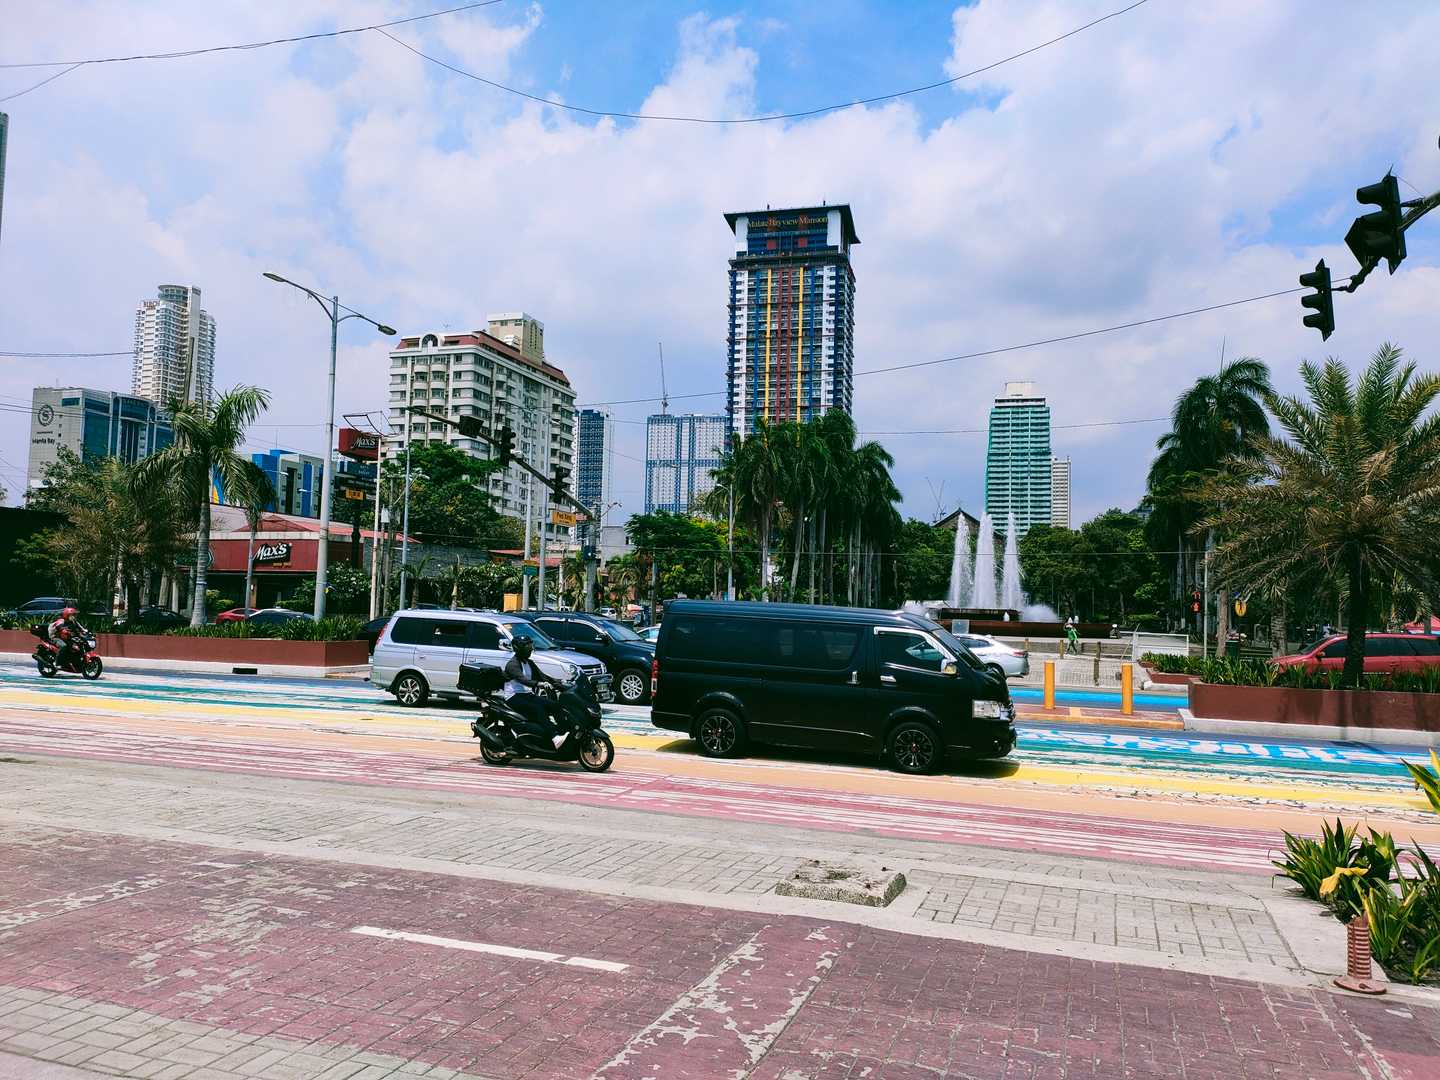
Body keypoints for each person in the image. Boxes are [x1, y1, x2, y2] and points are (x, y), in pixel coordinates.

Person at [502, 635, 570, 749]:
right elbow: (523, 680)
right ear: (518, 648)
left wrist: (563, 684)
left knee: (555, 705)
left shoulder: (529, 663)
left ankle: (563, 731)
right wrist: (538, 684)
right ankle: (554, 737)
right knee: (538, 709)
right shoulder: (512, 664)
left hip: (526, 695)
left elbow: (544, 677)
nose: (530, 648)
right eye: (526, 646)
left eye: (530, 645)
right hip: (513, 697)